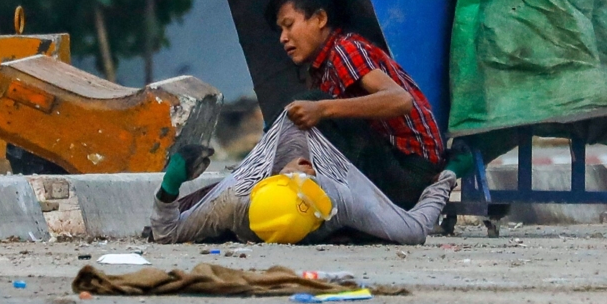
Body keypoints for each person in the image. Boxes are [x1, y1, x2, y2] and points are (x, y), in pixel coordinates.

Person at [263, 0, 455, 209]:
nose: (283, 38)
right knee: (301, 115)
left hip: (410, 171)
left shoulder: (344, 50)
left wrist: (322, 109)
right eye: (280, 30)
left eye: (289, 24)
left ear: (320, 18)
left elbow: (401, 100)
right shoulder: (320, 72)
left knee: (311, 102)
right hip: (390, 166)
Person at [150, 114, 456, 245]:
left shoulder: (333, 198)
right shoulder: (336, 200)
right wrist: (447, 178)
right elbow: (414, 229)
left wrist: (170, 187)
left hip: (332, 138)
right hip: (314, 154)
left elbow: (166, 232)